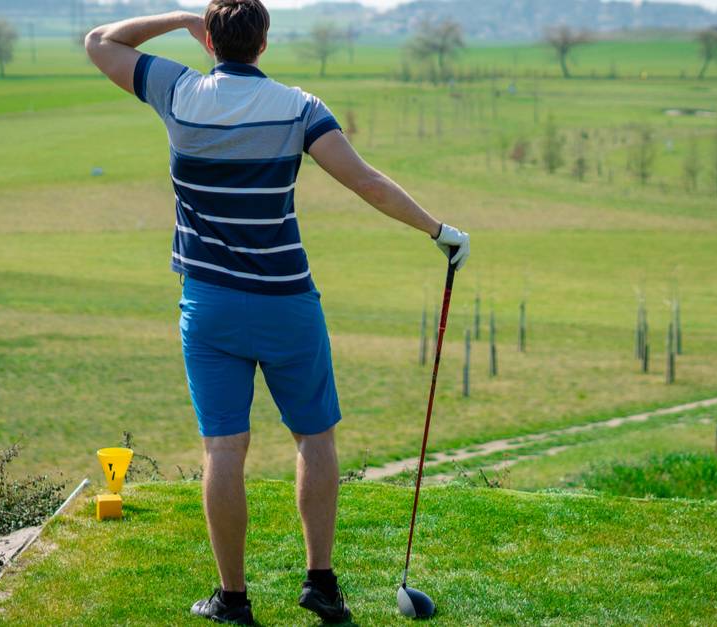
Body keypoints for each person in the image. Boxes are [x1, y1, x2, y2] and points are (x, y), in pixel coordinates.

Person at [85, 1, 469, 624]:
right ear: (264, 43)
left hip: (209, 306)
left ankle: (232, 599)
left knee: (223, 451)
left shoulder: (176, 91)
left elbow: (100, 39)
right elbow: (366, 182)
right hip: (288, 304)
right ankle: (321, 586)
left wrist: (182, 18)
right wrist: (438, 230)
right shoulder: (300, 107)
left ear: (211, 40)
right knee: (314, 438)